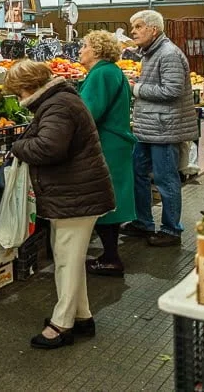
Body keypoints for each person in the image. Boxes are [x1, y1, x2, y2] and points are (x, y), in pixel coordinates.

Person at [6, 60, 115, 350]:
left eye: (17, 92)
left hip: (75, 195)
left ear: (27, 86)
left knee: (66, 261)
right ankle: (82, 317)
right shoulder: (59, 100)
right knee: (71, 258)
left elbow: (49, 147)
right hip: (76, 193)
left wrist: (16, 146)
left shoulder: (58, 105)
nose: (18, 98)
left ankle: (62, 324)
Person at [120, 10, 198, 247]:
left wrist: (137, 88)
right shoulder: (150, 53)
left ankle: (171, 230)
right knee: (138, 173)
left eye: (138, 26)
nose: (133, 31)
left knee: (166, 179)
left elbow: (172, 91)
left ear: (153, 30)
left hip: (164, 128)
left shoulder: (168, 54)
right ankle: (143, 222)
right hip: (148, 127)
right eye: (133, 26)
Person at [78, 31, 136, 277]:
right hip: (116, 142)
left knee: (106, 201)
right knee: (113, 200)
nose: (80, 50)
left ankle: (111, 258)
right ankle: (109, 255)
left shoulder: (101, 73)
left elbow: (88, 113)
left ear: (97, 51)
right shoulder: (111, 71)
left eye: (84, 46)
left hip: (106, 144)